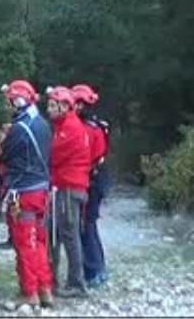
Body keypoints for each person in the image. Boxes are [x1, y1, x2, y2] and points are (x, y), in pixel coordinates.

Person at [0, 80, 55, 308]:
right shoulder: (42, 123)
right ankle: (45, 289)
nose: (8, 106)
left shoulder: (19, 128)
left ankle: (28, 291)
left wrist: (2, 141)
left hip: (23, 192)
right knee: (39, 242)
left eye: (10, 101)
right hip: (41, 190)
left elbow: (3, 156)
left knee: (24, 242)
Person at [46, 86, 91, 298]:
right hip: (68, 187)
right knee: (59, 233)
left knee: (68, 236)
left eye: (53, 105)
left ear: (65, 106)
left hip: (68, 188)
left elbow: (53, 154)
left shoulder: (69, 128)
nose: (49, 109)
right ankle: (56, 279)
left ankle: (76, 282)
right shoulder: (65, 125)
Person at [73, 83, 110, 288]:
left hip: (91, 181)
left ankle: (93, 269)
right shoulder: (96, 126)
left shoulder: (87, 129)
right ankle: (98, 267)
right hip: (96, 179)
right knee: (90, 225)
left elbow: (86, 158)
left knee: (85, 226)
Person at [0, 121, 14, 250]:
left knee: (11, 208)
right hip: (4, 176)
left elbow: (1, 156)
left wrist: (2, 143)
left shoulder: (10, 143)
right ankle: (11, 236)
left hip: (10, 177)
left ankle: (13, 237)